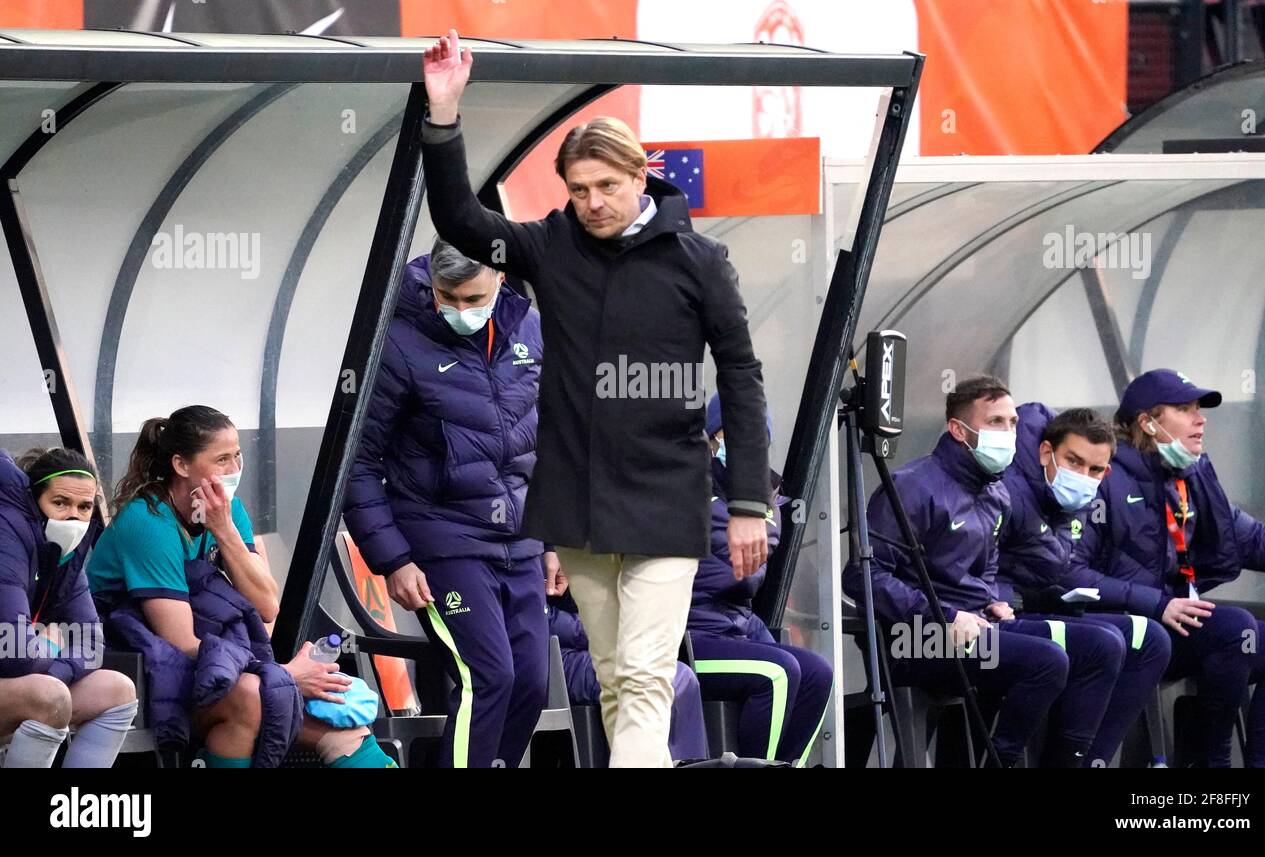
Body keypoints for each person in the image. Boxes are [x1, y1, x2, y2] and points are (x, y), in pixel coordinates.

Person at [418, 31, 772, 767]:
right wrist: (444, 115)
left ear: (640, 176)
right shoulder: (551, 244)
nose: (592, 203)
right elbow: (462, 223)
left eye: (606, 186)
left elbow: (742, 377)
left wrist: (747, 504)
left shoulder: (700, 263)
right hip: (576, 503)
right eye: (578, 189)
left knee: (644, 674)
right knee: (616, 677)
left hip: (666, 502)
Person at [88, 406, 395, 768]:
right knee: (250, 695)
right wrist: (285, 676)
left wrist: (225, 531)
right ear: (181, 465)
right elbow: (181, 643)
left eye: (238, 456)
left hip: (214, 664)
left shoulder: (229, 513)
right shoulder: (148, 521)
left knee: (344, 724)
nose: (234, 470)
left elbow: (267, 607)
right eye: (221, 459)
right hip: (134, 669)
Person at [845, 376, 1123, 768]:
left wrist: (993, 601)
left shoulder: (995, 493)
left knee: (1102, 646)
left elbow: (986, 571)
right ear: (959, 430)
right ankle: (1002, 763)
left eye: (1012, 423)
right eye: (995, 422)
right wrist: (943, 615)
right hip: (916, 639)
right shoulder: (912, 486)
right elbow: (862, 577)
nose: (1009, 433)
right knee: (1046, 661)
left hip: (976, 629)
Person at [344, 239, 548, 768]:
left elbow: (548, 441)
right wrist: (393, 559)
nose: (459, 311)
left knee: (530, 681)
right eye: (447, 297)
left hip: (521, 539)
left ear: (501, 278)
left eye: (472, 298)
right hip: (441, 541)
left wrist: (555, 538)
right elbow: (358, 464)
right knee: (489, 676)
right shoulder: (396, 339)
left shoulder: (530, 327)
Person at [1072, 368, 1265, 766]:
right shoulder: (1104, 477)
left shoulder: (1190, 479)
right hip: (1125, 628)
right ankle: (1210, 762)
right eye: (1184, 409)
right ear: (1148, 422)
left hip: (1179, 628)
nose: (1201, 418)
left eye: (1199, 408)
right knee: (1234, 629)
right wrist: (1157, 604)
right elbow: (1071, 573)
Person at [997, 404, 1171, 766]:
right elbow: (979, 563)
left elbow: (1056, 569)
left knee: (1148, 638)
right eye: (1073, 461)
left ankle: (1094, 761)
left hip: (1041, 606)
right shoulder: (1007, 485)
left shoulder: (1077, 497)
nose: (1082, 475)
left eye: (1094, 469)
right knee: (1100, 644)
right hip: (992, 614)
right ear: (1047, 451)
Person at [689, 394, 831, 766]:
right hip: (687, 634)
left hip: (737, 626)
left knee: (818, 672)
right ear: (712, 436)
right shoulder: (682, 488)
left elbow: (745, 583)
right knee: (777, 673)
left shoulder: (766, 501)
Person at [0, 447, 137, 768]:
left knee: (118, 690)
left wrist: (57, 669)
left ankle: (75, 808)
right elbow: (15, 655)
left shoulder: (63, 555)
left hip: (16, 677)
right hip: (12, 672)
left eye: (85, 506)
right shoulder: (8, 539)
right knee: (50, 696)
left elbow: (91, 643)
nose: (74, 516)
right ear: (35, 503)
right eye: (60, 503)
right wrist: (55, 667)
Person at [548, 590, 708, 764]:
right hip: (551, 654)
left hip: (602, 643)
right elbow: (541, 618)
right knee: (659, 679)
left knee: (682, 677)